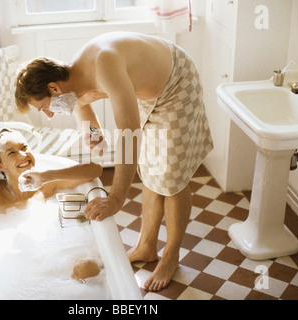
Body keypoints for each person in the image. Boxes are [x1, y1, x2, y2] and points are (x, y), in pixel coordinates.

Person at [14, 31, 213, 292]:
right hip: (151, 91)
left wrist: (117, 197)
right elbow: (82, 105)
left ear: (54, 88)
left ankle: (171, 256)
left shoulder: (103, 65)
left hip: (176, 84)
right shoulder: (71, 80)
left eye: (44, 107)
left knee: (173, 177)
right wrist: (94, 135)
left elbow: (129, 135)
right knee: (152, 169)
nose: (49, 115)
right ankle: (146, 246)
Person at [0, 128, 102, 208]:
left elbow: (95, 171)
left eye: (24, 147)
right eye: (12, 153)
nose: (22, 155)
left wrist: (46, 176)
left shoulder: (46, 183)